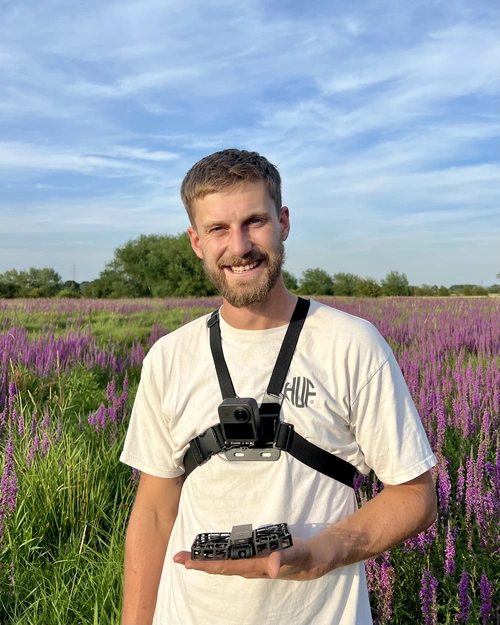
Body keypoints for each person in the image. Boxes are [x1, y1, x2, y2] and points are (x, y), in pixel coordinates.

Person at [120, 149, 437, 625]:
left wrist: (320, 555)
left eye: (255, 221)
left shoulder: (351, 344)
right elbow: (155, 510)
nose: (240, 245)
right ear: (196, 241)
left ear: (283, 222)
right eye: (218, 229)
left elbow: (415, 495)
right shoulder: (170, 357)